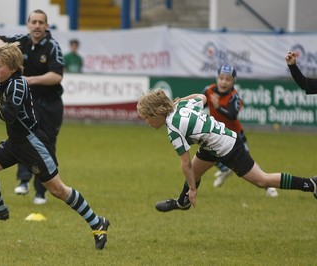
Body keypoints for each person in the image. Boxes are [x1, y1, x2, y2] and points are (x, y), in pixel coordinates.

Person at [0, 43, 109, 250]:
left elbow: (8, 115)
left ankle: (97, 222)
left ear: (12, 66)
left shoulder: (17, 84)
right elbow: (4, 112)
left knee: (58, 190)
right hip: (15, 142)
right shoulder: (4, 81)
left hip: (32, 143)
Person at [136, 89, 317, 212]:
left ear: (157, 113)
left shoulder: (173, 128)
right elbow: (202, 97)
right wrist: (178, 101)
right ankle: (183, 203)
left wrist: (193, 189)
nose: (146, 122)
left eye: (146, 118)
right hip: (213, 143)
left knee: (262, 180)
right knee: (195, 171)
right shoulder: (181, 107)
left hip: (228, 148)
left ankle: (310, 184)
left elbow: (185, 163)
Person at [0, 9, 64, 205]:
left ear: (46, 26)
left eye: (41, 22)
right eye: (34, 22)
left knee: (45, 144)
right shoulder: (21, 40)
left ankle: (41, 191)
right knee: (21, 136)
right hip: (27, 102)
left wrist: (30, 80)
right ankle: (23, 181)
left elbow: (57, 76)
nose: (37, 26)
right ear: (28, 25)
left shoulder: (53, 47)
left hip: (49, 104)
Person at [203, 65, 278, 197]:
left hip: (236, 136)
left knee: (248, 162)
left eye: (228, 79)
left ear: (233, 81)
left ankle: (269, 187)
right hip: (217, 133)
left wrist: (218, 107)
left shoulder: (234, 97)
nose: (224, 82)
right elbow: (199, 105)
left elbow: (232, 115)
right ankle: (225, 169)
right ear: (217, 78)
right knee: (208, 154)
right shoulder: (208, 91)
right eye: (221, 78)